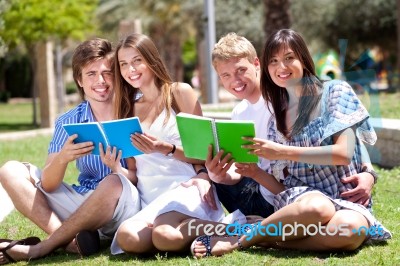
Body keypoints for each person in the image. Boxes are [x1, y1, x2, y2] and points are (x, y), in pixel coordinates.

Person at [191, 29, 391, 258]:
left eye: (289, 58)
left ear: (303, 60)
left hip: (345, 196)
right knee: (317, 207)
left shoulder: (335, 91)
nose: (281, 67)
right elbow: (285, 184)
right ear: (266, 67)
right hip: (304, 198)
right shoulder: (278, 113)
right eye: (274, 61)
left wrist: (369, 173)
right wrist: (252, 173)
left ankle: (266, 239)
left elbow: (345, 151)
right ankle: (242, 241)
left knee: (351, 231)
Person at [0, 38, 142, 264]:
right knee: (9, 170)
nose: (101, 81)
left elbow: (143, 176)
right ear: (79, 80)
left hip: (126, 205)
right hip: (82, 203)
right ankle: (69, 242)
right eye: (91, 74)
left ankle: (46, 246)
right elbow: (48, 184)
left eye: (107, 73)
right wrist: (64, 157)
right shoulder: (69, 121)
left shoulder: (136, 108)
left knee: (113, 181)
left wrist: (117, 169)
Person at [206, 32, 376, 219]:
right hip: (277, 190)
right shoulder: (242, 113)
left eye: (241, 70)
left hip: (292, 194)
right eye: (226, 75)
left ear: (256, 64)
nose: (235, 81)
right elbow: (246, 170)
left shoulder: (284, 98)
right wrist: (218, 176)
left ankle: (258, 229)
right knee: (210, 176)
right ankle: (256, 227)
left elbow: (347, 138)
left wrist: (369, 173)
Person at [108, 33, 225, 255]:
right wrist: (115, 166)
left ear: (151, 60)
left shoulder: (180, 93)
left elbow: (204, 154)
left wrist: (167, 149)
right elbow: (134, 172)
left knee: (164, 236)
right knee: (128, 237)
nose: (130, 69)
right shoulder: (125, 111)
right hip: (150, 197)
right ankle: (190, 234)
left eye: (136, 61)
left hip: (185, 188)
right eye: (123, 64)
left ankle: (238, 228)